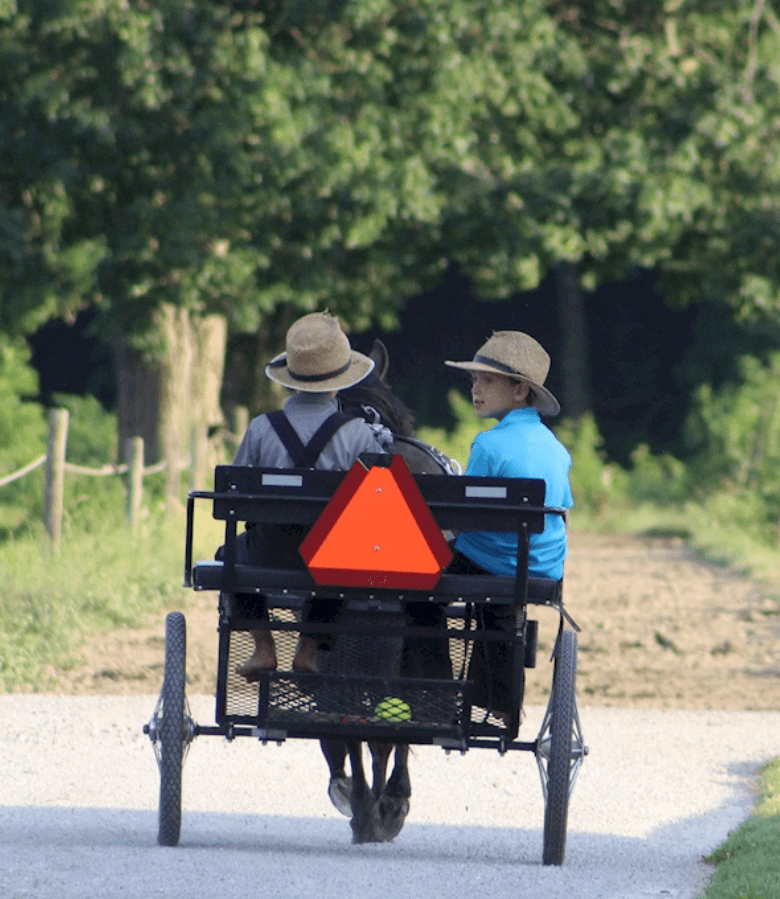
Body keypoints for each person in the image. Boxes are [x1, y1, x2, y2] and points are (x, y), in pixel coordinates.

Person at [224, 312, 390, 680]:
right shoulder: (357, 433)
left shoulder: (260, 428)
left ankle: (263, 647)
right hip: (328, 555)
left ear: (290, 379)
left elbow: (233, 491)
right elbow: (379, 498)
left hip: (268, 550)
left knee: (229, 557)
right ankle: (309, 648)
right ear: (341, 381)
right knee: (345, 562)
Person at [443, 330, 573, 720]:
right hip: (544, 567)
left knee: (415, 587)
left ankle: (433, 683)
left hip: (492, 562)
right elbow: (561, 508)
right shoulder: (557, 448)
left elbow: (463, 516)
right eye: (474, 381)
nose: (476, 389)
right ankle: (498, 698)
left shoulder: (488, 445)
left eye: (487, 380)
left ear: (520, 391)